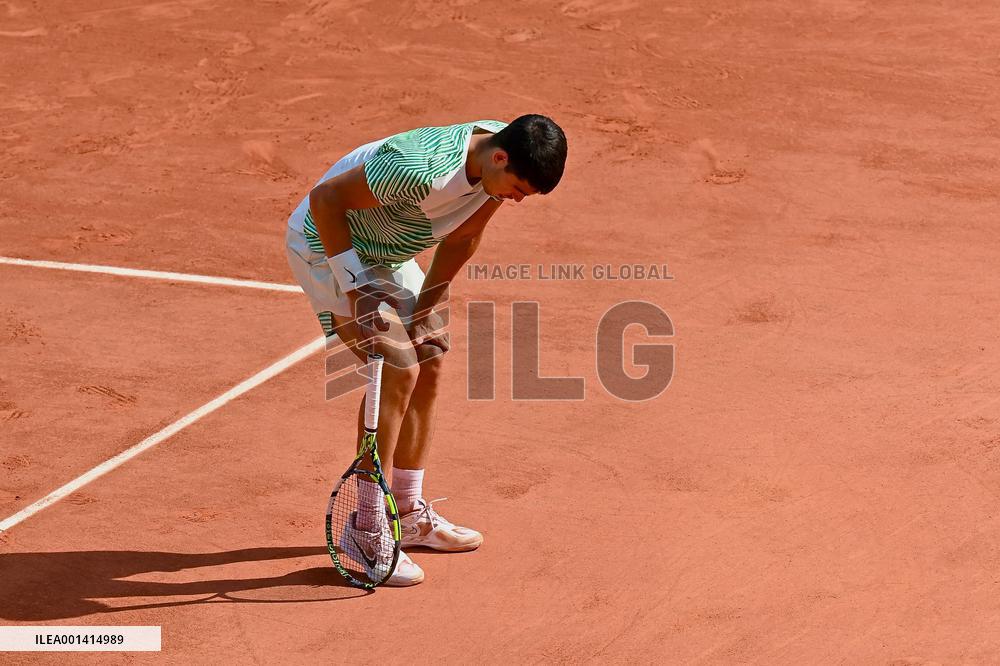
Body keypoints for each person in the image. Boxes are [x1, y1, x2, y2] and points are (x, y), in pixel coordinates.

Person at [285, 115, 567, 585]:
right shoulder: (419, 168)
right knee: (398, 367)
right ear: (499, 157)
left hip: (387, 253)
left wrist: (427, 307)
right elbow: (326, 199)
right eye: (517, 188)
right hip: (328, 245)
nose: (516, 200)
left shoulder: (496, 161)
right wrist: (357, 287)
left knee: (430, 355)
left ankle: (408, 512)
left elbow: (464, 236)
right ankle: (365, 524)